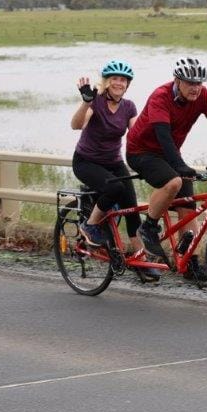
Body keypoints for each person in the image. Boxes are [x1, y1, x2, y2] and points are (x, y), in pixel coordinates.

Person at [125, 57, 207, 280]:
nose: (196, 88)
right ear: (177, 80)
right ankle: (149, 227)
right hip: (141, 152)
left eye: (199, 83)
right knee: (174, 181)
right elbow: (162, 135)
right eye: (190, 83)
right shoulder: (161, 96)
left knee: (189, 207)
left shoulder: (203, 96)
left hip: (169, 154)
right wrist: (179, 166)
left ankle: (191, 264)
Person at [71, 60, 160, 282]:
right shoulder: (96, 102)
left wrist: (154, 155)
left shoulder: (128, 106)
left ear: (127, 84)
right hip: (86, 162)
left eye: (123, 80)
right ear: (107, 82)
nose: (119, 83)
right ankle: (90, 226)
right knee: (114, 187)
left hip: (113, 162)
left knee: (132, 210)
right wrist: (85, 103)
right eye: (115, 79)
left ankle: (140, 258)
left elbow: (137, 134)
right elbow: (77, 125)